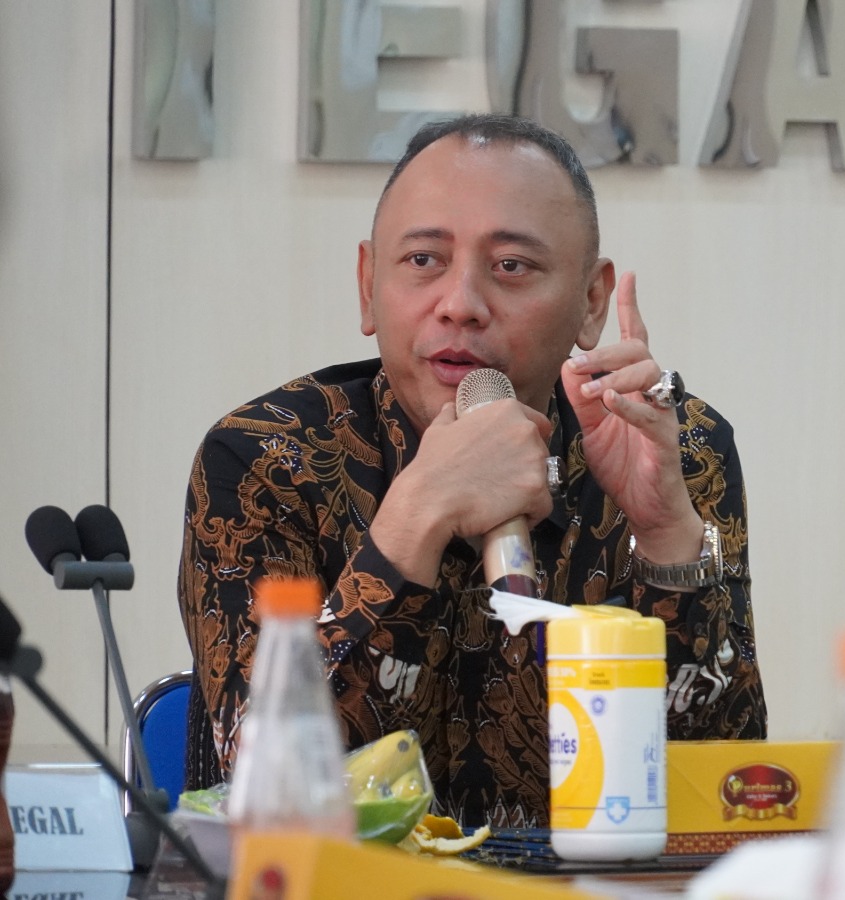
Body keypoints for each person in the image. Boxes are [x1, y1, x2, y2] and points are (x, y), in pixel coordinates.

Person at [179, 115, 766, 828]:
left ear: (591, 302)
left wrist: (668, 534)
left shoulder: (671, 443)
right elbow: (272, 791)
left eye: (511, 267)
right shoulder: (269, 458)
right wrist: (416, 514)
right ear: (368, 285)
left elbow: (724, 795)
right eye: (424, 260)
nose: (460, 304)